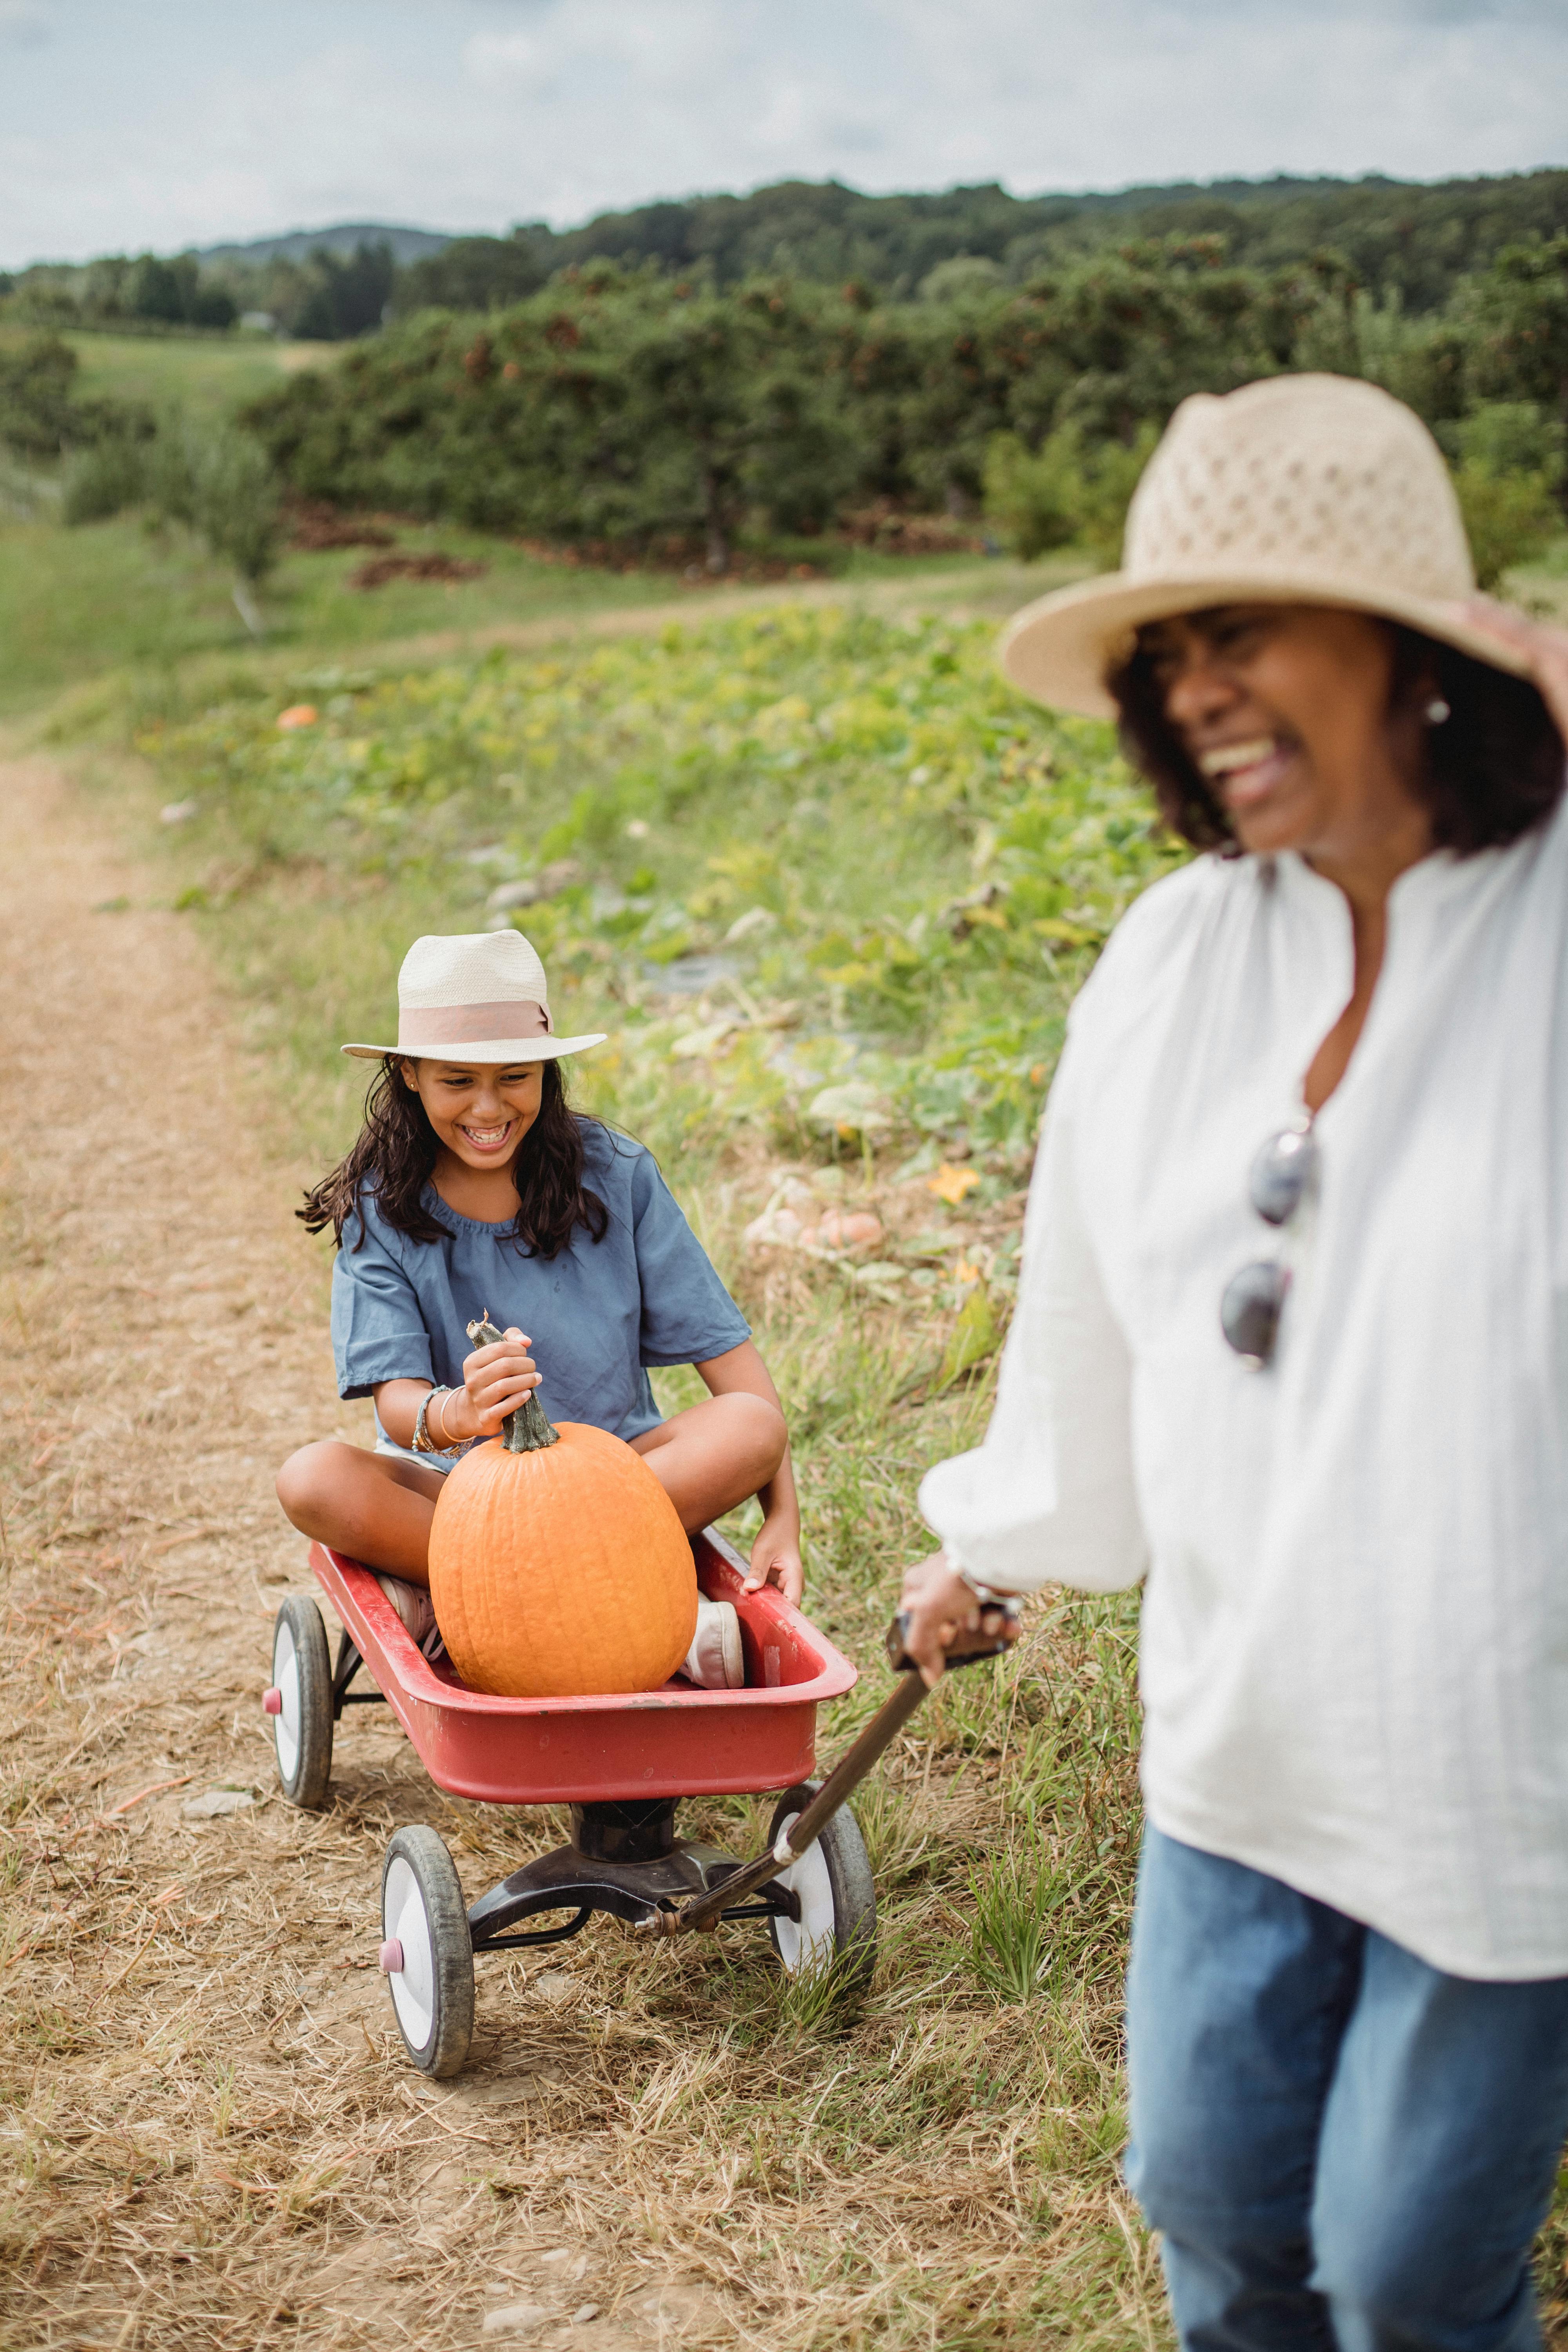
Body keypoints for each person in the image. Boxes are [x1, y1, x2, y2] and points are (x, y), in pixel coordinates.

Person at [897, 374, 1568, 2350]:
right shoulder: (1175, 956)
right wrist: (996, 1534)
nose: (1192, 687)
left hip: (1496, 1746)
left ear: (1409, 651)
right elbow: (1089, 1294)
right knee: (1213, 2214)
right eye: (1167, 650)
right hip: (1244, 1716)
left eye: (1246, 628)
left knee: (1401, 2270)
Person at [276, 928, 802, 1690]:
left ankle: (470, 1601)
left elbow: (738, 1377)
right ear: (408, 1074)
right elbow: (396, 1406)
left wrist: (783, 1517)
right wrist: (460, 1410)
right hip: (463, 1498)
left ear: (546, 1074)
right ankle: (633, 1604)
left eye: (514, 1078)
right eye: (457, 1081)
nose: (489, 1109)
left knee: (751, 1427)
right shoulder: (379, 1208)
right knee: (312, 1478)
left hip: (618, 1478)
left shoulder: (615, 1176)